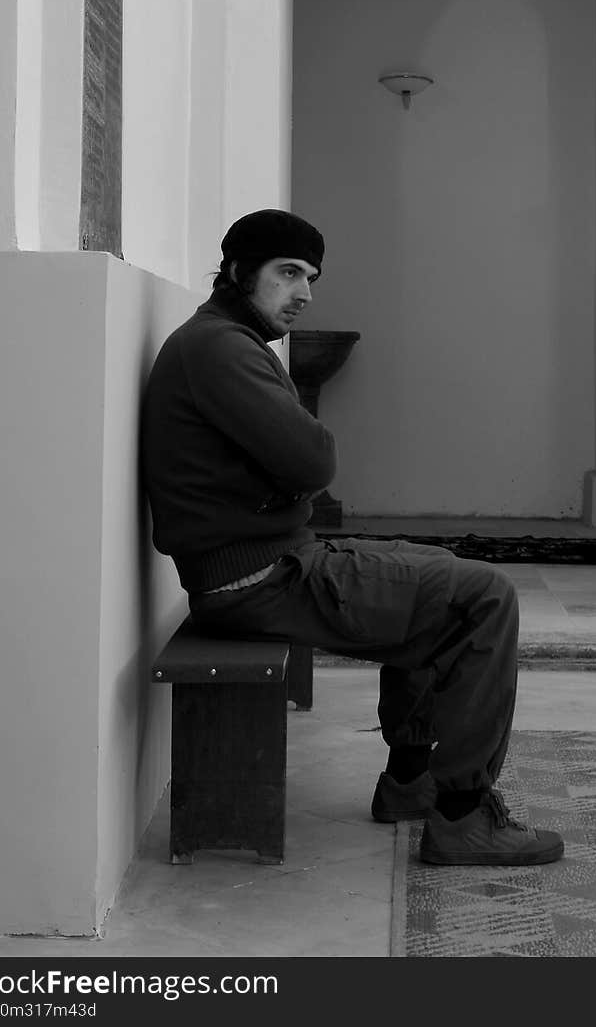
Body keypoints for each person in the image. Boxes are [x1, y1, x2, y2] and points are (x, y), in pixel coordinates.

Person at [141, 208, 564, 867]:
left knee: (435, 572)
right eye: (286, 274)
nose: (303, 292)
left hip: (267, 564)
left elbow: (298, 465)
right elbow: (315, 462)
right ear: (236, 272)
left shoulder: (225, 341)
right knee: (485, 595)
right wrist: (290, 481)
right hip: (261, 579)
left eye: (309, 277)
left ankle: (409, 781)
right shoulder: (221, 349)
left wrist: (288, 481)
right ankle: (461, 816)